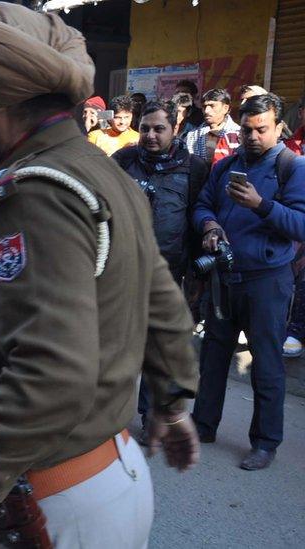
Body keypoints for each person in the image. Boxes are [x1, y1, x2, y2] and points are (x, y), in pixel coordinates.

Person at [0, 5, 200, 548]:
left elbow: (50, 376)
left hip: (47, 507)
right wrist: (171, 400)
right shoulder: (98, 171)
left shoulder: (34, 193)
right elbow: (159, 297)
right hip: (98, 484)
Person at [191, 93, 305, 471]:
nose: (253, 136)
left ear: (278, 128)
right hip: (226, 278)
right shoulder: (227, 167)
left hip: (268, 283)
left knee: (267, 364)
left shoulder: (293, 167)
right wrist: (209, 226)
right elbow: (204, 203)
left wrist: (262, 205)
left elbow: (301, 224)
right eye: (247, 129)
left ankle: (265, 443)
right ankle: (203, 426)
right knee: (213, 358)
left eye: (262, 129)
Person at [112, 100, 209, 436]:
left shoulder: (195, 169)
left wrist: (197, 276)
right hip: (122, 273)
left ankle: (149, 417)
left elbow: (198, 219)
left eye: (158, 129)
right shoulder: (123, 161)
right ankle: (105, 417)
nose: (150, 135)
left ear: (175, 129)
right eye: (145, 128)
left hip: (169, 276)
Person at [184, 88, 242, 164]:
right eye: (204, 106)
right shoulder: (192, 135)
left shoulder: (238, 134)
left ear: (225, 108)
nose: (206, 111)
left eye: (212, 106)